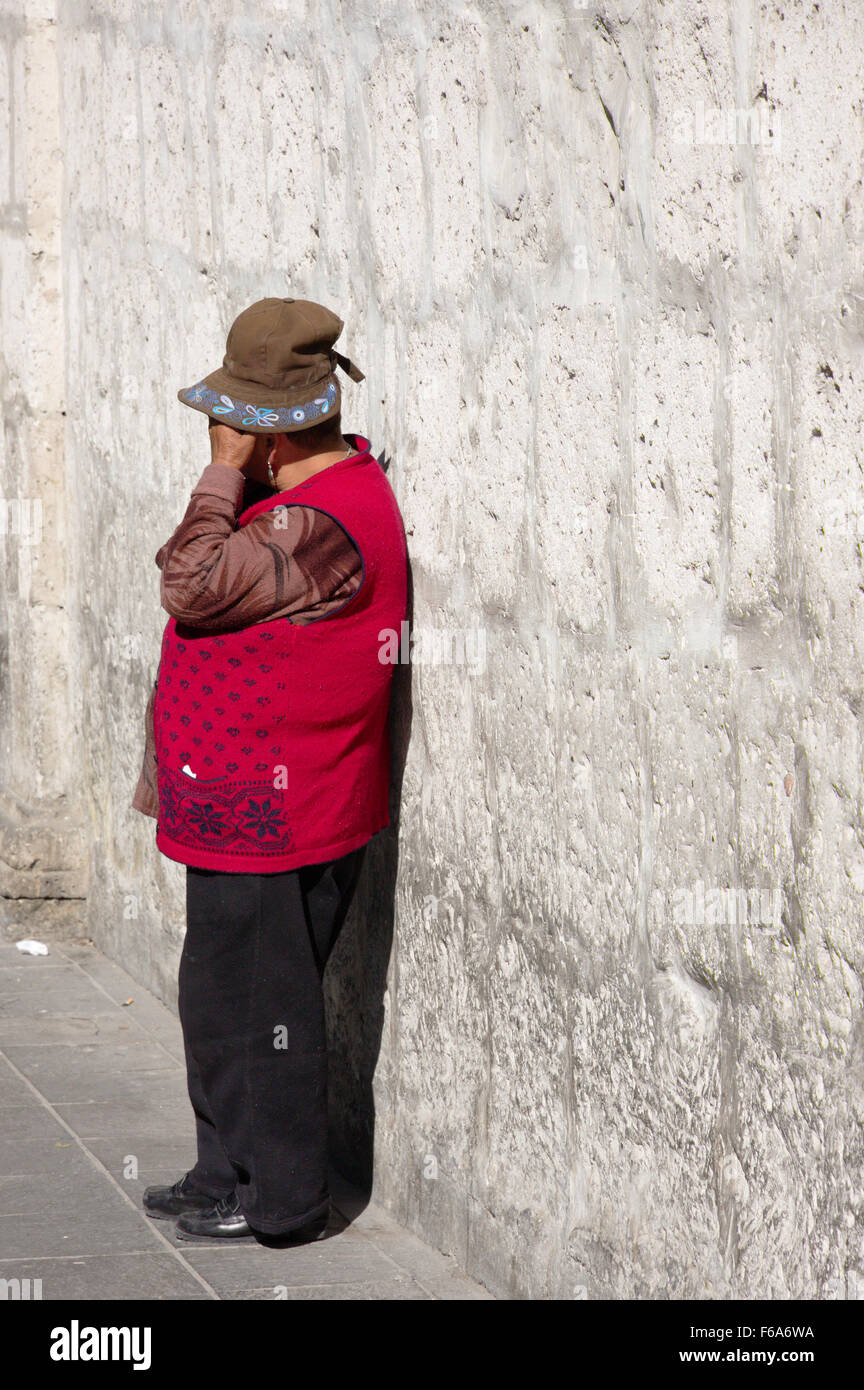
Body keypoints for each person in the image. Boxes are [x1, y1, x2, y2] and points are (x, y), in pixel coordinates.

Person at [131, 296, 408, 1242]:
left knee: (267, 1013)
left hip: (281, 810)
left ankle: (281, 1201)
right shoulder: (292, 506)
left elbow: (192, 581)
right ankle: (224, 1175)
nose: (226, 437)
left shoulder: (324, 522)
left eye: (237, 422)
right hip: (236, 804)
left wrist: (218, 474)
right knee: (221, 998)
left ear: (266, 430)